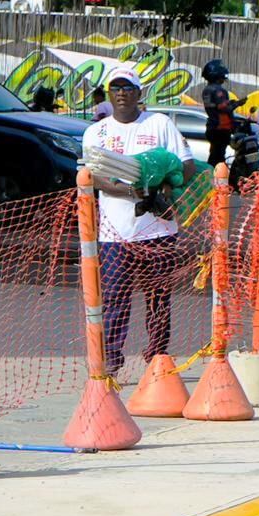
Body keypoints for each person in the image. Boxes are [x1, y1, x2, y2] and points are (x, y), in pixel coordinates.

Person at [77, 75, 188, 369]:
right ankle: (111, 360)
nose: (122, 94)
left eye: (128, 88)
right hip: (115, 233)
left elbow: (185, 166)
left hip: (158, 230)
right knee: (114, 297)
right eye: (116, 88)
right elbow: (92, 178)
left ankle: (156, 359)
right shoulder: (96, 133)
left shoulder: (159, 124)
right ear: (108, 94)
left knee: (158, 298)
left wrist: (163, 186)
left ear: (139, 92)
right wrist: (130, 190)